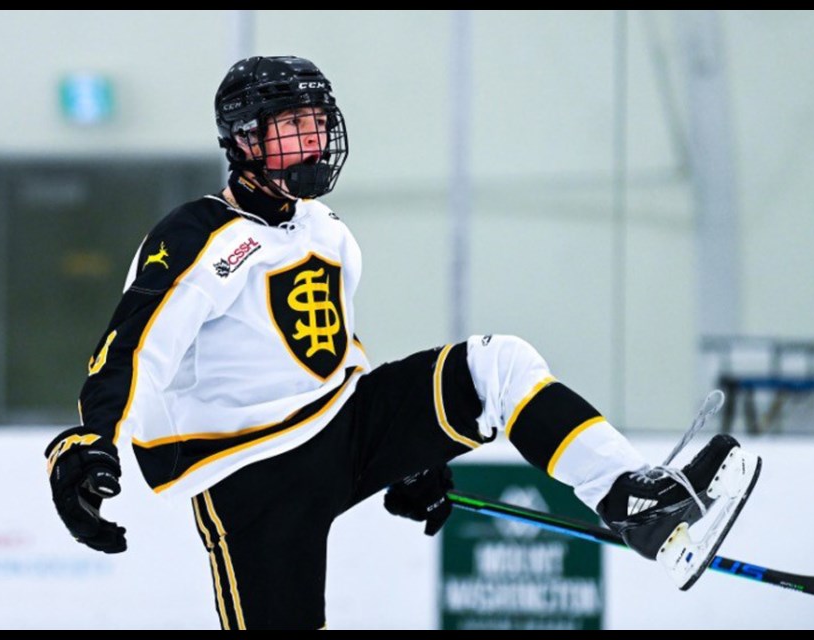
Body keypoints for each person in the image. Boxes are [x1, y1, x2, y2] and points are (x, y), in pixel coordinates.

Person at [44, 56, 761, 630]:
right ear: (244, 140)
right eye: (291, 126)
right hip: (250, 475)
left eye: (317, 123)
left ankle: (639, 503)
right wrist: (88, 439)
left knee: (495, 367)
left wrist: (404, 455)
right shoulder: (201, 234)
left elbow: (329, 354)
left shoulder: (325, 231)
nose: (313, 141)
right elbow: (138, 340)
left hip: (340, 429)